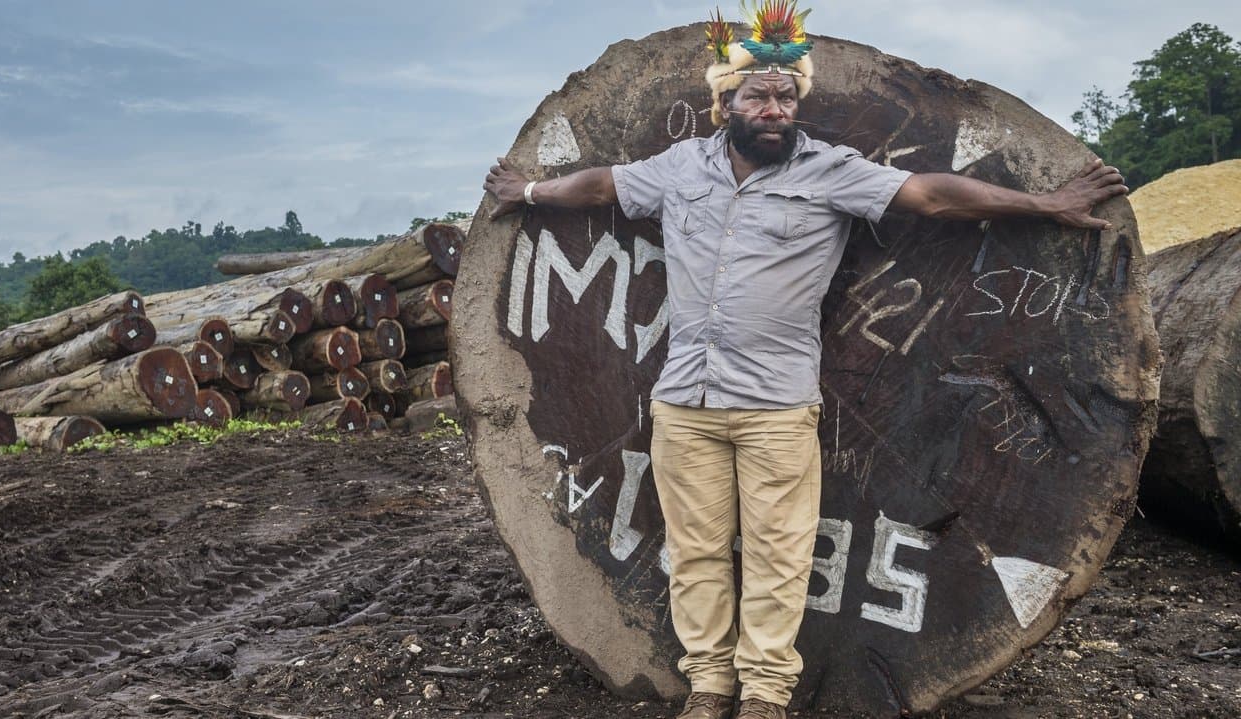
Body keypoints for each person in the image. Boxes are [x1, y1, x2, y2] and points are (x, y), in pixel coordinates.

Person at [483, 4, 1127, 718]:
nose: (775, 109)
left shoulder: (831, 172)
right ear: (724, 103)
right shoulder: (679, 168)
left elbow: (933, 196)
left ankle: (763, 693)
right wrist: (531, 192)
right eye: (758, 96)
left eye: (787, 97)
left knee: (777, 558)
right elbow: (602, 184)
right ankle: (708, 685)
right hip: (684, 405)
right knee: (695, 553)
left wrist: (1045, 204)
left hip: (776, 408)